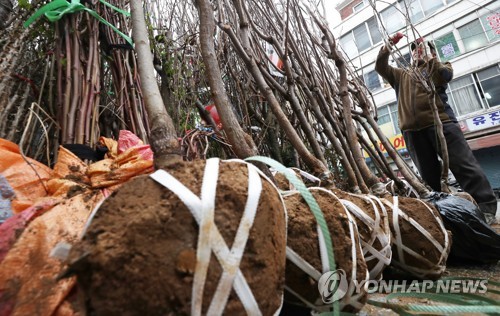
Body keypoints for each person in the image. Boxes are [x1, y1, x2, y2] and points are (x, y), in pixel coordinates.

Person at [375, 34, 497, 222]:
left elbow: (445, 75)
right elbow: (380, 67)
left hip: (442, 124)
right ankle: (443, 212)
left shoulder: (437, 67)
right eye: (415, 49)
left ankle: (486, 208)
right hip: (412, 131)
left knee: (464, 166)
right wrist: (388, 46)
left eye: (422, 48)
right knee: (428, 174)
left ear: (432, 53)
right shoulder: (401, 75)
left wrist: (432, 60)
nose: (418, 51)